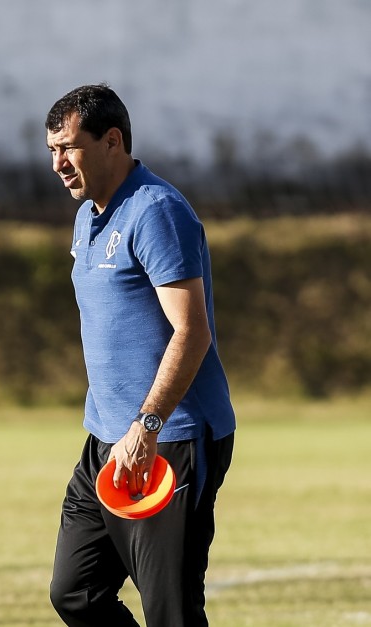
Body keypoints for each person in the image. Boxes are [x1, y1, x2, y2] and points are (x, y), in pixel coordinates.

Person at [45, 83, 236, 626]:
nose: (59, 164)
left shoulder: (157, 210)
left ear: (112, 141)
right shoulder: (87, 215)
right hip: (106, 440)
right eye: (52, 150)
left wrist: (147, 425)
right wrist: (119, 430)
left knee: (170, 613)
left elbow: (191, 331)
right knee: (75, 591)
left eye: (69, 148)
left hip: (168, 439)